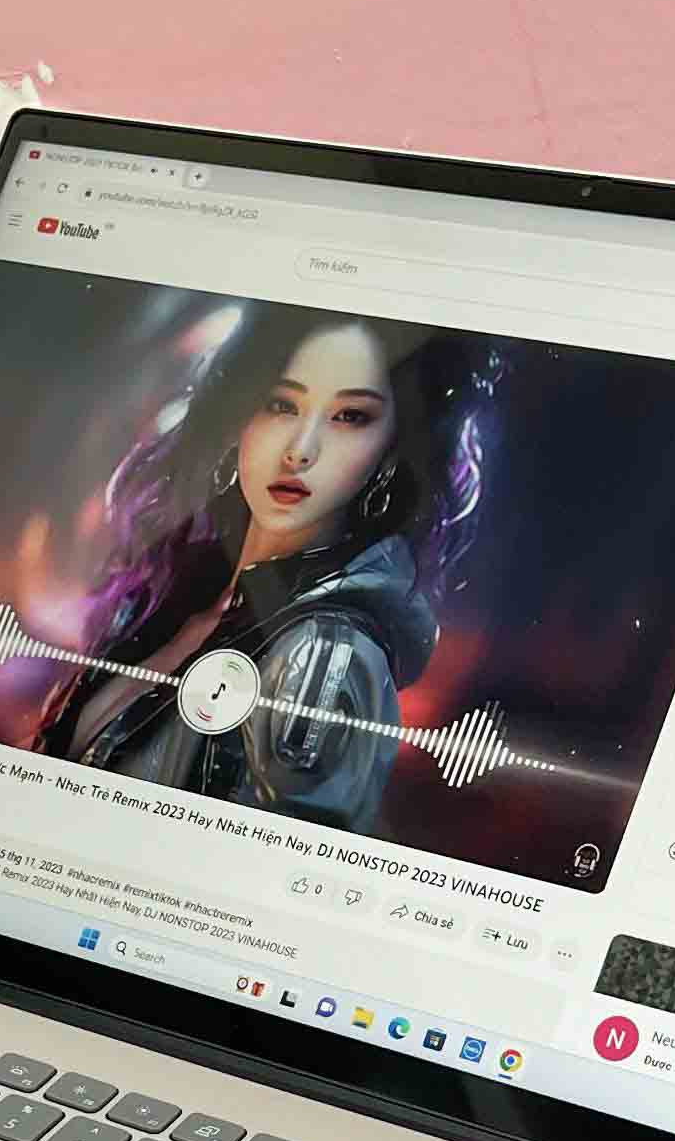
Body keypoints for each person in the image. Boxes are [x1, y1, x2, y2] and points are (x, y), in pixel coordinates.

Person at [31, 307, 479, 833]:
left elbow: (267, 864)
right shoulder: (182, 592)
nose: (300, 451)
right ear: (241, 412)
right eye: (282, 405)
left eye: (349, 416)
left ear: (391, 448)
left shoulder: (324, 654)